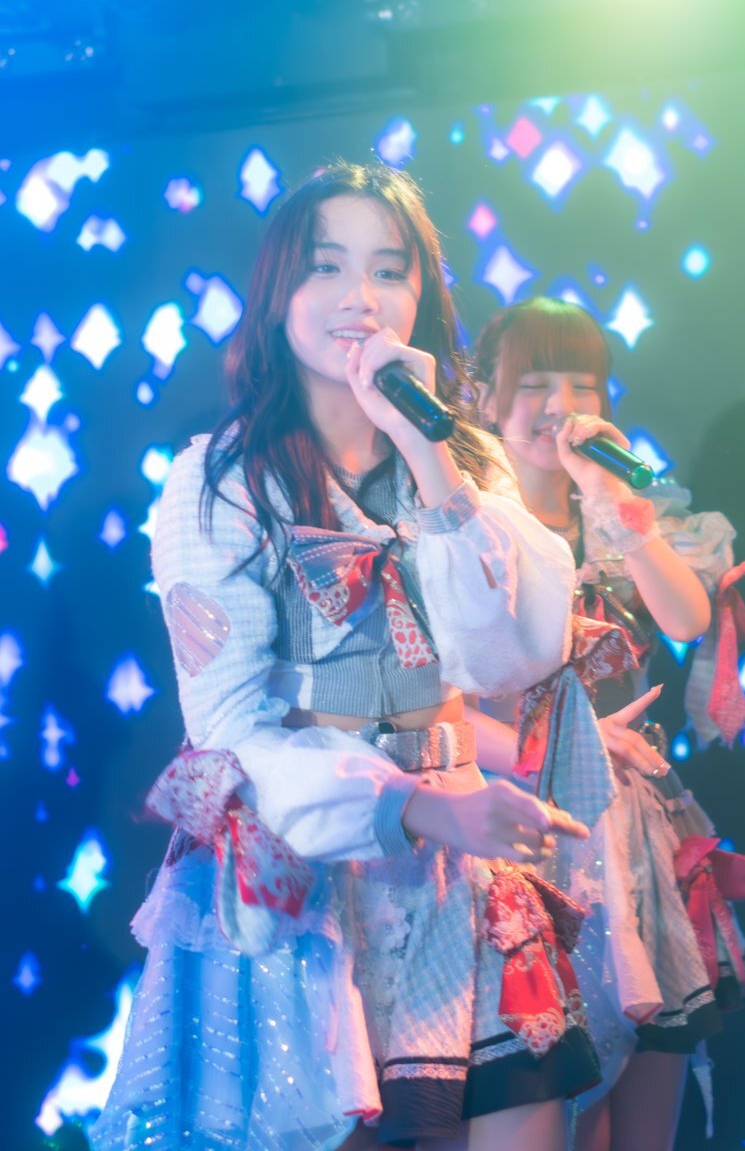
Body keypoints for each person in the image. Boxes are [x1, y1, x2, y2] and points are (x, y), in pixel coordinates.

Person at [89, 165, 602, 1151]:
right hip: (303, 878)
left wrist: (427, 450)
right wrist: (415, 805)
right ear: (279, 292)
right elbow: (230, 731)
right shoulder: (219, 479)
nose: (360, 297)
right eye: (326, 268)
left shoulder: (463, 460)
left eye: (388, 270)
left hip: (460, 868)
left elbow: (516, 656)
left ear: (421, 298)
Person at [472, 297, 745, 1151]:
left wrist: (608, 495)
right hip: (518, 827)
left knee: (641, 1090)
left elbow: (684, 616)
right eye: (534, 383)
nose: (559, 405)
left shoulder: (615, 518)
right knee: (540, 1086)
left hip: (632, 830)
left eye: (582, 385)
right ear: (484, 398)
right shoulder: (465, 521)